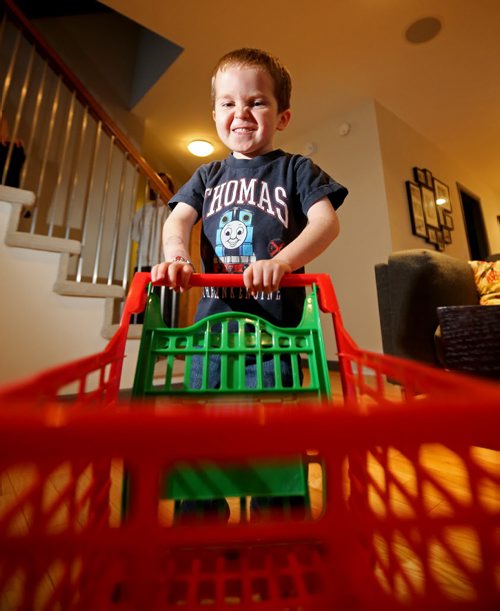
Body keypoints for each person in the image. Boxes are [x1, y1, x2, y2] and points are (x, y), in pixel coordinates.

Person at [152, 48, 348, 520]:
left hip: (275, 331)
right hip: (212, 329)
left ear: (281, 116)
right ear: (215, 113)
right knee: (206, 425)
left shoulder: (297, 169)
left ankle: (278, 517)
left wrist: (284, 264)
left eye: (256, 102)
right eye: (227, 103)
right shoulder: (207, 175)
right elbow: (177, 222)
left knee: (272, 429)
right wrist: (176, 257)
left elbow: (325, 224)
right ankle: (200, 521)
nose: (241, 113)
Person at [131, 171, 175, 324]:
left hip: (163, 262)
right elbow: (135, 233)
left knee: (164, 303)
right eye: (156, 182)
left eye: (163, 182)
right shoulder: (143, 210)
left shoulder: (172, 210)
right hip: (142, 261)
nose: (159, 185)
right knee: (140, 301)